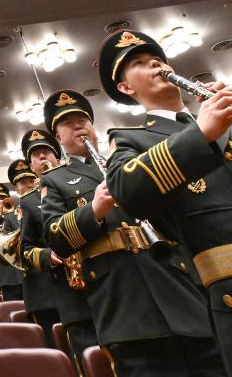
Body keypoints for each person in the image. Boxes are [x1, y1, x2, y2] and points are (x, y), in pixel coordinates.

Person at [41, 86, 222, 376]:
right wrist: (94, 210)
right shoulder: (55, 180)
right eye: (67, 123)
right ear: (58, 138)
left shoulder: (124, 156)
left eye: (83, 120)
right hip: (123, 300)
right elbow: (55, 238)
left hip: (174, 281)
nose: (78, 126)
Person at [101, 29, 232, 376]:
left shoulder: (222, 120)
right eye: (140, 64)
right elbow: (127, 190)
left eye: (157, 59)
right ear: (126, 88)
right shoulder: (128, 139)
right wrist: (201, 133)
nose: (156, 66)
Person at [19, 128, 97, 371]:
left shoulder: (83, 178)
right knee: (85, 356)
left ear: (57, 155)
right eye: (37, 155)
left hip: (103, 274)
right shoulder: (28, 201)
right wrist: (48, 256)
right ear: (31, 166)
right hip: (68, 287)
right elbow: (25, 249)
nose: (43, 157)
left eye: (46, 152)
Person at [11, 146, 59, 346]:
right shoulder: (26, 203)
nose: (28, 185)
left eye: (29, 181)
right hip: (43, 287)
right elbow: (24, 247)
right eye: (22, 183)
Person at [0, 182, 23, 301]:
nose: (1, 202)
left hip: (22, 271)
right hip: (7, 276)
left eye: (3, 198)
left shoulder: (17, 215)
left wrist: (8, 215)